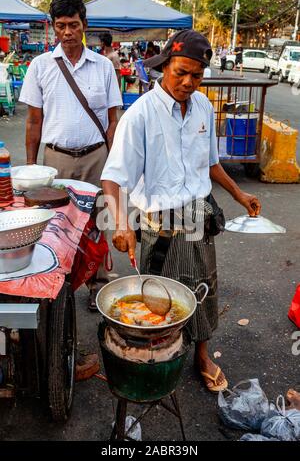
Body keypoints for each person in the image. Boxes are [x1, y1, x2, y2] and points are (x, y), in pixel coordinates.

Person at [100, 29, 261, 393]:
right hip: (161, 226)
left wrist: (239, 195)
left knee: (204, 288)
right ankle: (157, 358)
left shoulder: (203, 106)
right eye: (180, 73)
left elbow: (211, 163)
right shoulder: (141, 114)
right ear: (164, 67)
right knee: (159, 300)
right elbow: (112, 178)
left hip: (200, 214)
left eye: (196, 75)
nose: (188, 82)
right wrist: (121, 223)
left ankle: (201, 355)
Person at [19, 0, 122, 312]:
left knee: (95, 224)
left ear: (84, 25)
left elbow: (112, 121)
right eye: (61, 25)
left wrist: (113, 165)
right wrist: (32, 169)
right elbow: (34, 122)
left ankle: (95, 284)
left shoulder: (103, 66)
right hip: (55, 162)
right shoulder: (40, 66)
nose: (67, 32)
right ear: (53, 27)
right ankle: (59, 284)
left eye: (73, 25)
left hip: (95, 159)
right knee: (55, 227)